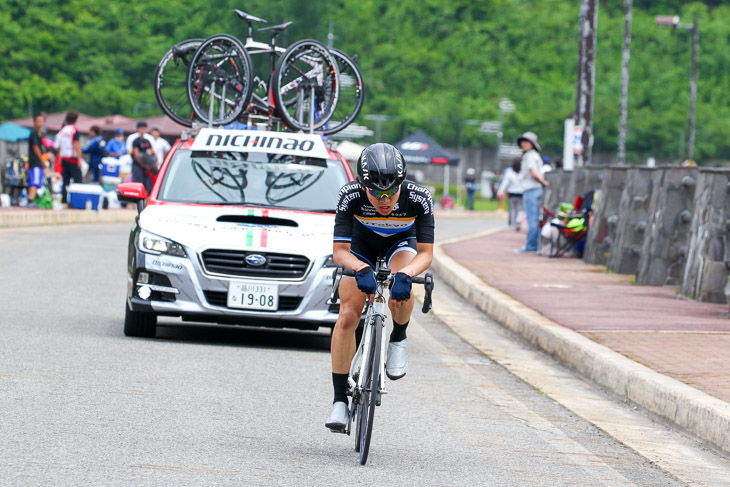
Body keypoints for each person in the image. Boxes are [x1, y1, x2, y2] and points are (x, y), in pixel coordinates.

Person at [325, 143, 435, 432]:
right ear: (363, 186)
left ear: (402, 184)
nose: (384, 199)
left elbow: (425, 253)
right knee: (348, 313)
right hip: (361, 245)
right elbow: (340, 251)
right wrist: (361, 269)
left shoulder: (419, 198)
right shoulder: (349, 196)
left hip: (400, 243)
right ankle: (338, 400)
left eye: (391, 192)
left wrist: (407, 274)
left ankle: (398, 336)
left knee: (402, 288)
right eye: (375, 192)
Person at [516, 131, 548, 253]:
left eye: (527, 141)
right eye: (523, 141)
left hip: (531, 190)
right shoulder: (535, 156)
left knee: (532, 219)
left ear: (532, 144)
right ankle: (534, 246)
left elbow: (534, 173)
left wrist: (542, 182)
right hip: (536, 190)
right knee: (535, 219)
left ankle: (531, 247)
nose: (524, 144)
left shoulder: (529, 156)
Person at [56, 111, 85, 207]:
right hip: (73, 159)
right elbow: (76, 145)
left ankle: (64, 202)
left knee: (65, 182)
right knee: (78, 182)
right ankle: (78, 201)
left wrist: (60, 158)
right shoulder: (74, 130)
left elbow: (58, 146)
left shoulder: (62, 130)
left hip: (64, 158)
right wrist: (80, 159)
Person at [497, 157, 524, 231]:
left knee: (512, 209)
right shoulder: (523, 174)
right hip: (521, 194)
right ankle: (519, 219)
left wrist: (500, 192)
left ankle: (513, 225)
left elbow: (504, 184)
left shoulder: (509, 173)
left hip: (512, 194)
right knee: (520, 209)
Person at [131, 121, 158, 194]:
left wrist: (155, 162)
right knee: (138, 185)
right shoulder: (136, 141)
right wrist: (144, 165)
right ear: (138, 129)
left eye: (144, 128)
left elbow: (153, 152)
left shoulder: (147, 141)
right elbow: (136, 154)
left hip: (146, 167)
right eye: (141, 128)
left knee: (148, 185)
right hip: (138, 166)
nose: (143, 130)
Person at [27, 114, 46, 206]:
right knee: (35, 181)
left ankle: (31, 199)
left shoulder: (39, 133)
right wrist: (42, 160)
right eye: (39, 121)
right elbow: (35, 147)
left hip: (36, 161)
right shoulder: (34, 132)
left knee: (35, 180)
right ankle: (31, 199)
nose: (41, 123)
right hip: (35, 161)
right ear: (34, 122)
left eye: (42, 121)